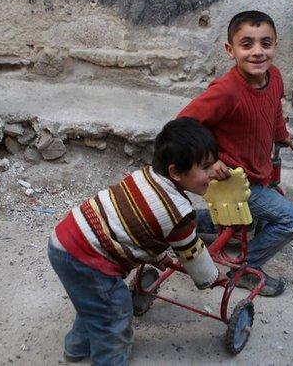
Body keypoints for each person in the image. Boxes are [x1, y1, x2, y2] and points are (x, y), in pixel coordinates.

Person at [47, 117, 223, 365]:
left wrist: (160, 256)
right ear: (175, 172)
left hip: (65, 239)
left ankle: (77, 348)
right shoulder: (178, 215)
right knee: (113, 313)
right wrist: (212, 277)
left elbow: (141, 228)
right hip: (88, 259)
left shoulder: (147, 176)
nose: (212, 173)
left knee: (93, 305)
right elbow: (195, 257)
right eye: (205, 168)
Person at [178, 10, 293, 297]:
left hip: (257, 171)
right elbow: (183, 125)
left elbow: (274, 111)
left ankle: (184, 224)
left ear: (275, 46)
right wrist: (210, 161)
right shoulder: (226, 91)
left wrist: (281, 135)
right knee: (291, 219)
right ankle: (246, 268)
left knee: (244, 217)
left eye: (265, 43)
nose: (257, 52)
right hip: (232, 178)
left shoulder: (275, 77)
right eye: (247, 45)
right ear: (230, 50)